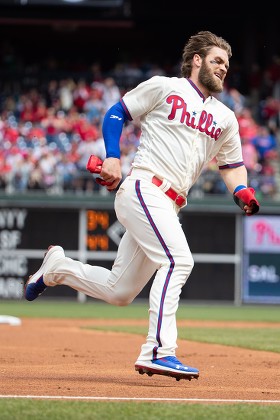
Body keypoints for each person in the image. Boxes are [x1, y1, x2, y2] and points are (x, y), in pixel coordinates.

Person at [24, 31, 260, 381]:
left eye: (226, 63)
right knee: (179, 260)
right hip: (145, 188)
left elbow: (231, 164)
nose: (223, 67)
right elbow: (117, 112)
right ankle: (158, 351)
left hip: (170, 204)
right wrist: (114, 157)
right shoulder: (166, 87)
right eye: (216, 60)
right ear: (196, 60)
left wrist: (241, 189)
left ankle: (57, 267)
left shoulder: (225, 118)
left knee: (119, 291)